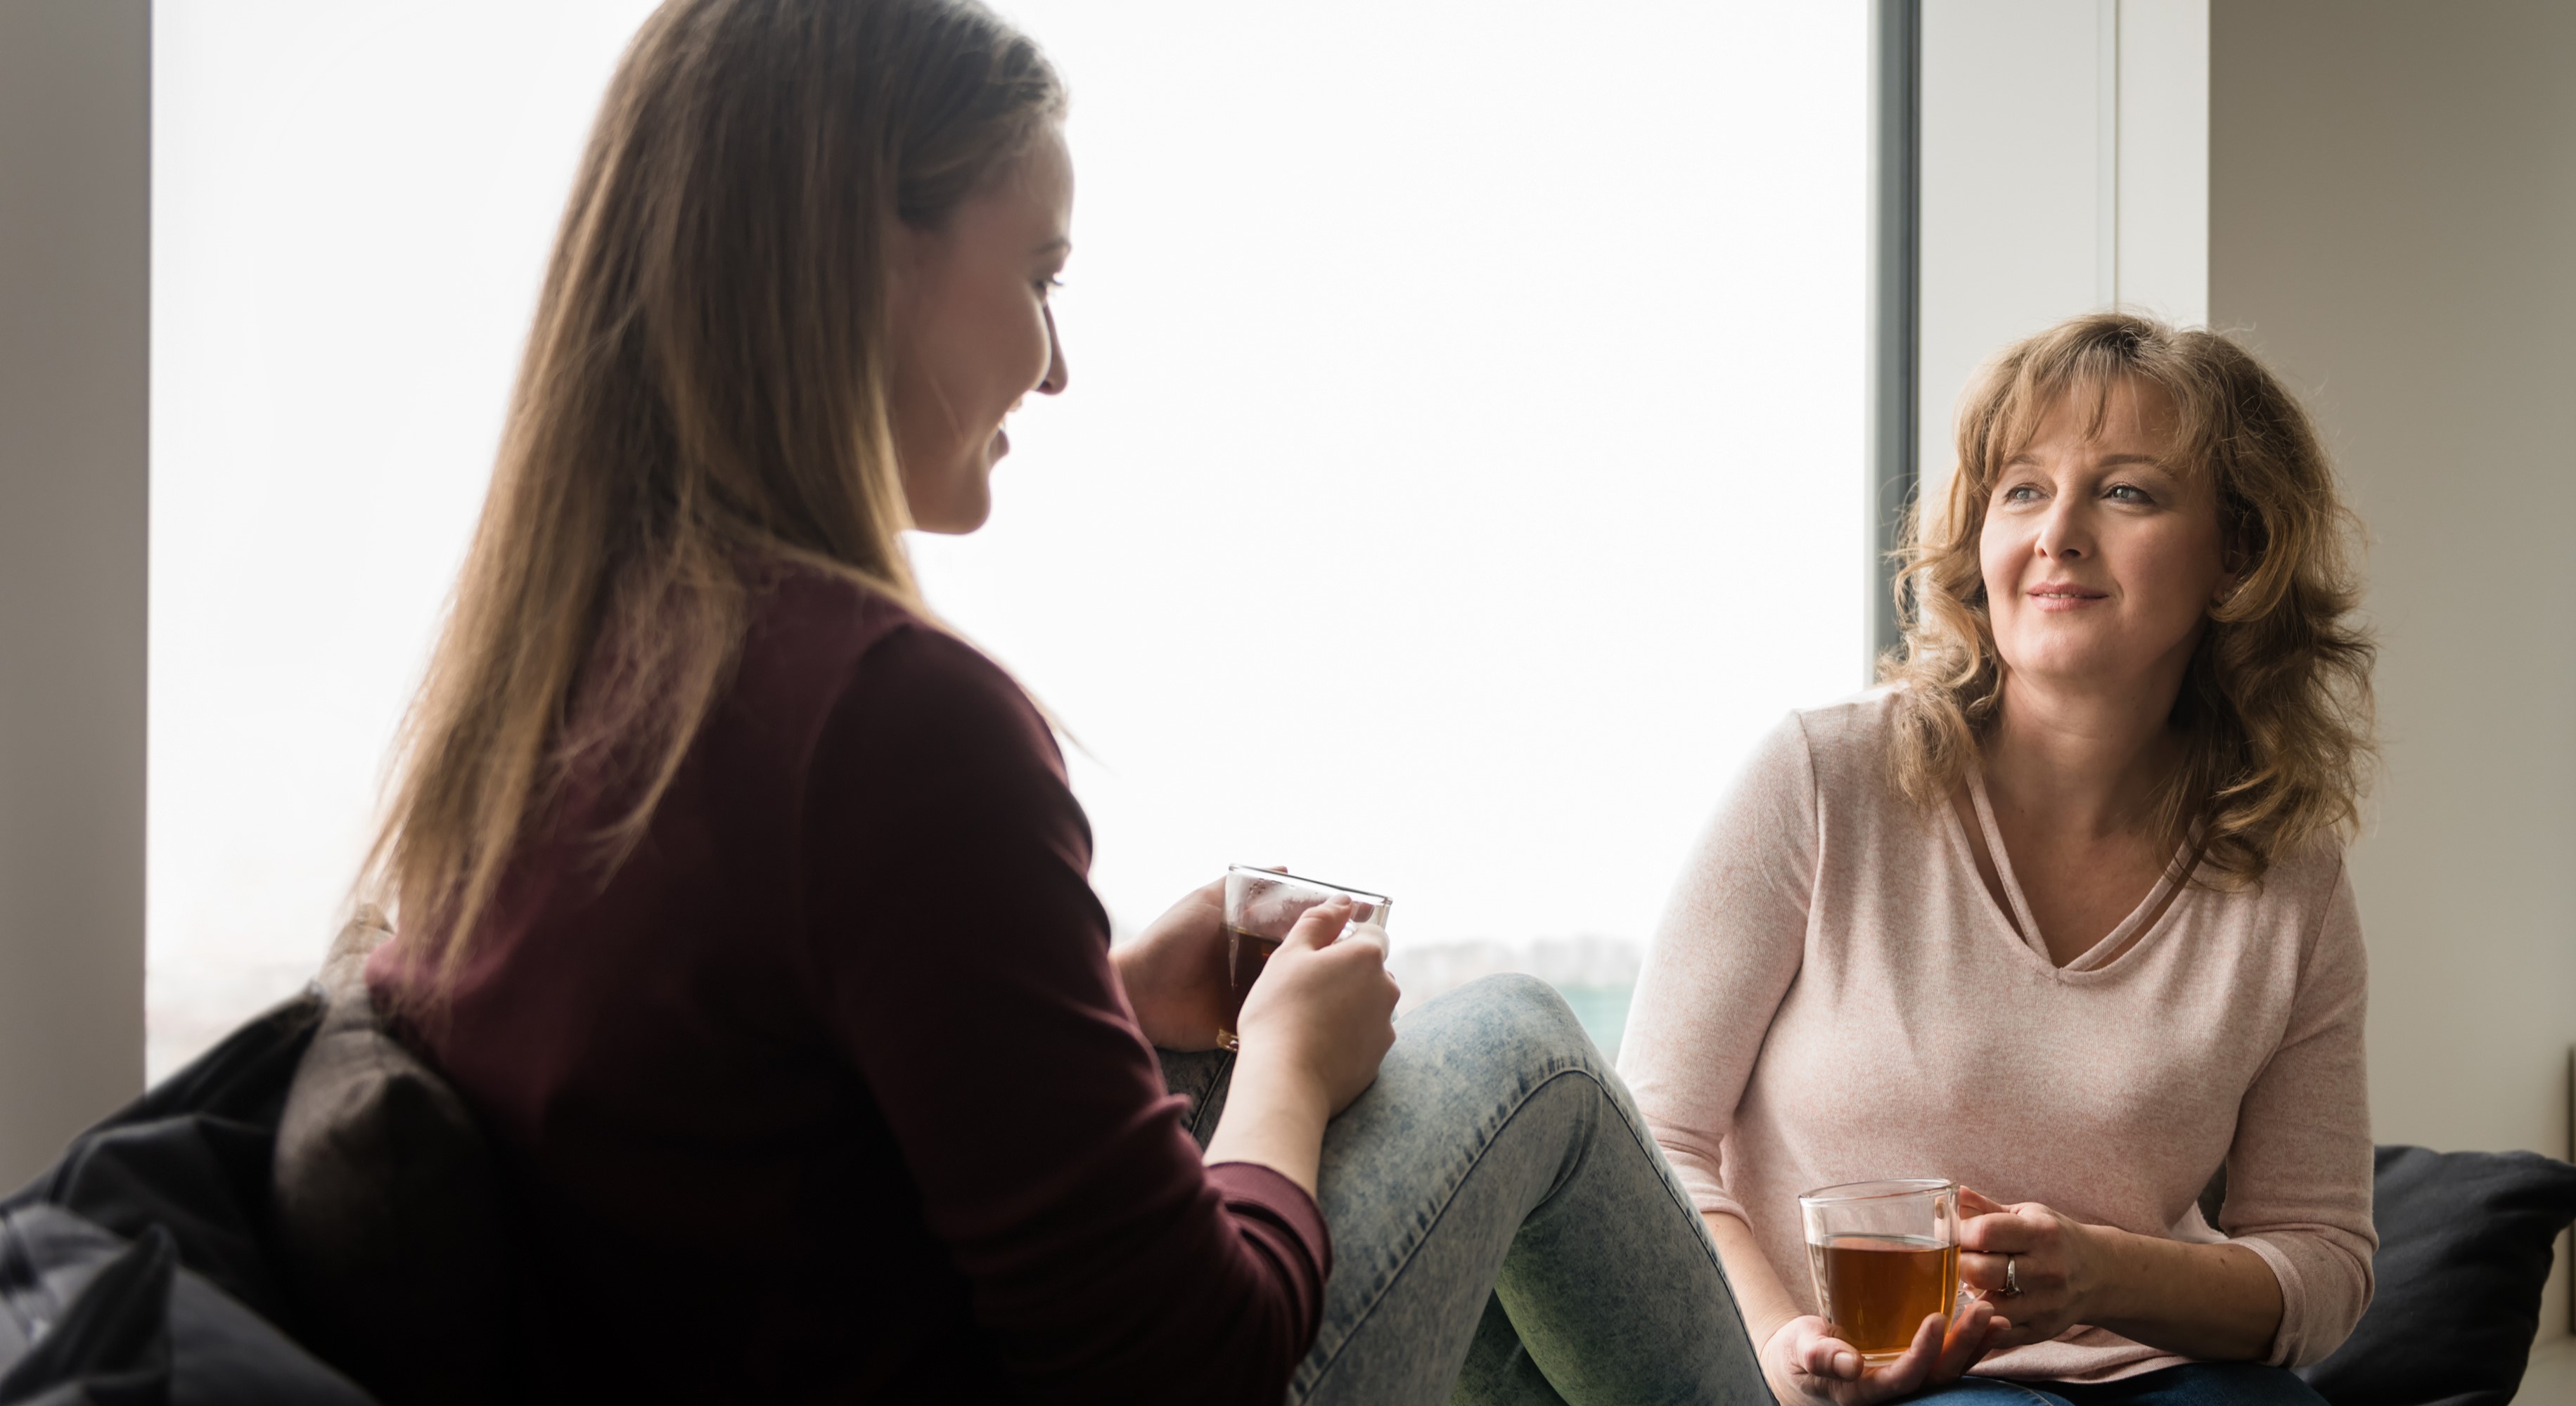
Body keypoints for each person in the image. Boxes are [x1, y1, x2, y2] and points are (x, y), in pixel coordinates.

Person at [359, 1, 1788, 1401]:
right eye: (1039, 274)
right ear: (862, 260)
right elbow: (1194, 1360)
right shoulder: (887, 718)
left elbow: (769, 1128)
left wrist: (1098, 1002)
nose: (1054, 364)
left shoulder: (541, 699)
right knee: (1522, 1051)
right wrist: (1285, 1063)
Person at [1619, 312, 2379, 1405]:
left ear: (2238, 554)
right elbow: (1657, 1140)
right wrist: (1786, 1348)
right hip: (1856, 1381)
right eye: (2022, 490)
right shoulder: (1823, 778)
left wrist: (2109, 1274)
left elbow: (2324, 1260)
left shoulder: (2290, 872)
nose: (2057, 535)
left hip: (2162, 1375)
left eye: (2127, 492)